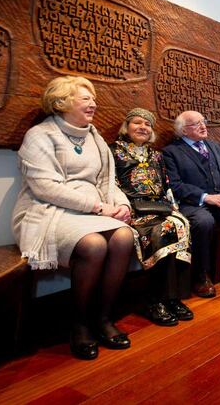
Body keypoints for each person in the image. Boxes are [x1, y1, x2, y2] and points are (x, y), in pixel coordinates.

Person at [12, 76, 134, 360]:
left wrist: (122, 204)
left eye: (93, 98)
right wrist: (99, 208)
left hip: (93, 209)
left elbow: (107, 180)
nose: (94, 104)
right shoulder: (40, 135)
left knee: (124, 237)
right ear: (62, 103)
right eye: (85, 99)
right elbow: (46, 188)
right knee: (93, 245)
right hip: (48, 210)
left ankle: (103, 319)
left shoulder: (95, 137)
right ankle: (78, 325)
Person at [111, 108, 193, 326]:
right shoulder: (114, 152)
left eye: (147, 124)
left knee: (181, 224)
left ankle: (173, 298)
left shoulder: (156, 155)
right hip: (133, 211)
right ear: (126, 126)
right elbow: (110, 185)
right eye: (137, 122)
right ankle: (154, 301)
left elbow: (166, 186)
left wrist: (174, 209)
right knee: (163, 232)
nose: (143, 127)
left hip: (159, 208)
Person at [163, 110, 220, 300]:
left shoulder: (215, 147)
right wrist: (205, 197)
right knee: (203, 222)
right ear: (183, 131)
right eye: (196, 124)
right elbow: (175, 185)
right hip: (194, 204)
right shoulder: (171, 152)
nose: (203, 126)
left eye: (203, 121)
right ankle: (201, 275)